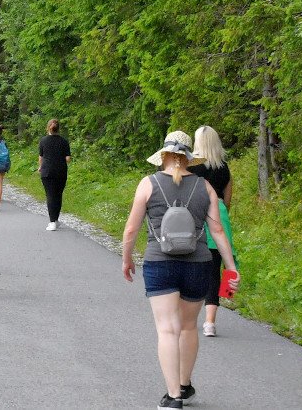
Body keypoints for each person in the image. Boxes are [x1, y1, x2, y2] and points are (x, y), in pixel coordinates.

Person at [121, 131, 239, 409]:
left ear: (163, 156)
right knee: (188, 328)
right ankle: (185, 387)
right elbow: (218, 230)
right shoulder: (204, 186)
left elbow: (131, 229)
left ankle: (173, 397)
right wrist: (231, 268)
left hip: (159, 263)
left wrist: (127, 259)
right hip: (197, 264)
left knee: (167, 330)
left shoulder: (148, 184)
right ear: (188, 157)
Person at [190, 125, 234, 337]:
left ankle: (189, 314)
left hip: (196, 216)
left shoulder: (192, 166)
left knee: (192, 264)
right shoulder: (224, 168)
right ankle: (210, 322)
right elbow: (227, 199)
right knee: (215, 267)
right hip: (219, 217)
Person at [37, 119, 72, 230]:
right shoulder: (64, 141)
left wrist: (40, 166)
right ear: (58, 128)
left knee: (50, 195)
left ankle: (52, 222)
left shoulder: (43, 141)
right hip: (61, 171)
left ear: (48, 128)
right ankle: (56, 219)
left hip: (47, 171)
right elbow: (68, 158)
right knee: (58, 195)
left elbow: (41, 157)